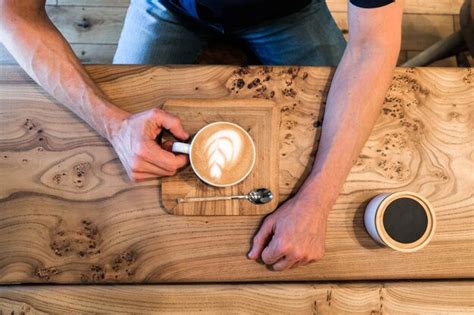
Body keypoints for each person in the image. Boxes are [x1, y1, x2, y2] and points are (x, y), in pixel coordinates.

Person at [0, 0, 403, 271]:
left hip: (289, 13)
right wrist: (114, 124)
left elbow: (374, 44)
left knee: (367, 146)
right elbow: (13, 13)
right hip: (167, 6)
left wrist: (317, 201)